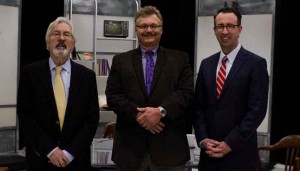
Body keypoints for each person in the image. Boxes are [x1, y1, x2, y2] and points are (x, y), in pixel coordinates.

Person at [105, 5, 194, 171]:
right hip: (130, 153)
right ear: (136, 30)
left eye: (154, 26)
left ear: (162, 30)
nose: (149, 30)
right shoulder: (120, 61)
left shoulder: (180, 59)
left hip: (170, 153)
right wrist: (139, 115)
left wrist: (160, 112)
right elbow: (113, 95)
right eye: (143, 26)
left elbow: (186, 93)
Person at [17, 16, 99, 170]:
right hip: (41, 159)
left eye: (67, 35)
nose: (61, 38)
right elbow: (26, 115)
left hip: (77, 160)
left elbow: (92, 119)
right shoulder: (30, 73)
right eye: (56, 34)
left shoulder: (87, 76)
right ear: (47, 42)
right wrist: (51, 150)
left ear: (73, 44)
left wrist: (70, 153)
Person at [193, 7, 269, 171]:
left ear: (239, 29)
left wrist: (230, 143)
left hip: (240, 155)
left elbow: (256, 111)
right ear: (214, 30)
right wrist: (203, 140)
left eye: (230, 26)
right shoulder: (206, 64)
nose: (225, 31)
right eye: (220, 26)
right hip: (209, 157)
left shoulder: (256, 64)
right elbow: (198, 107)